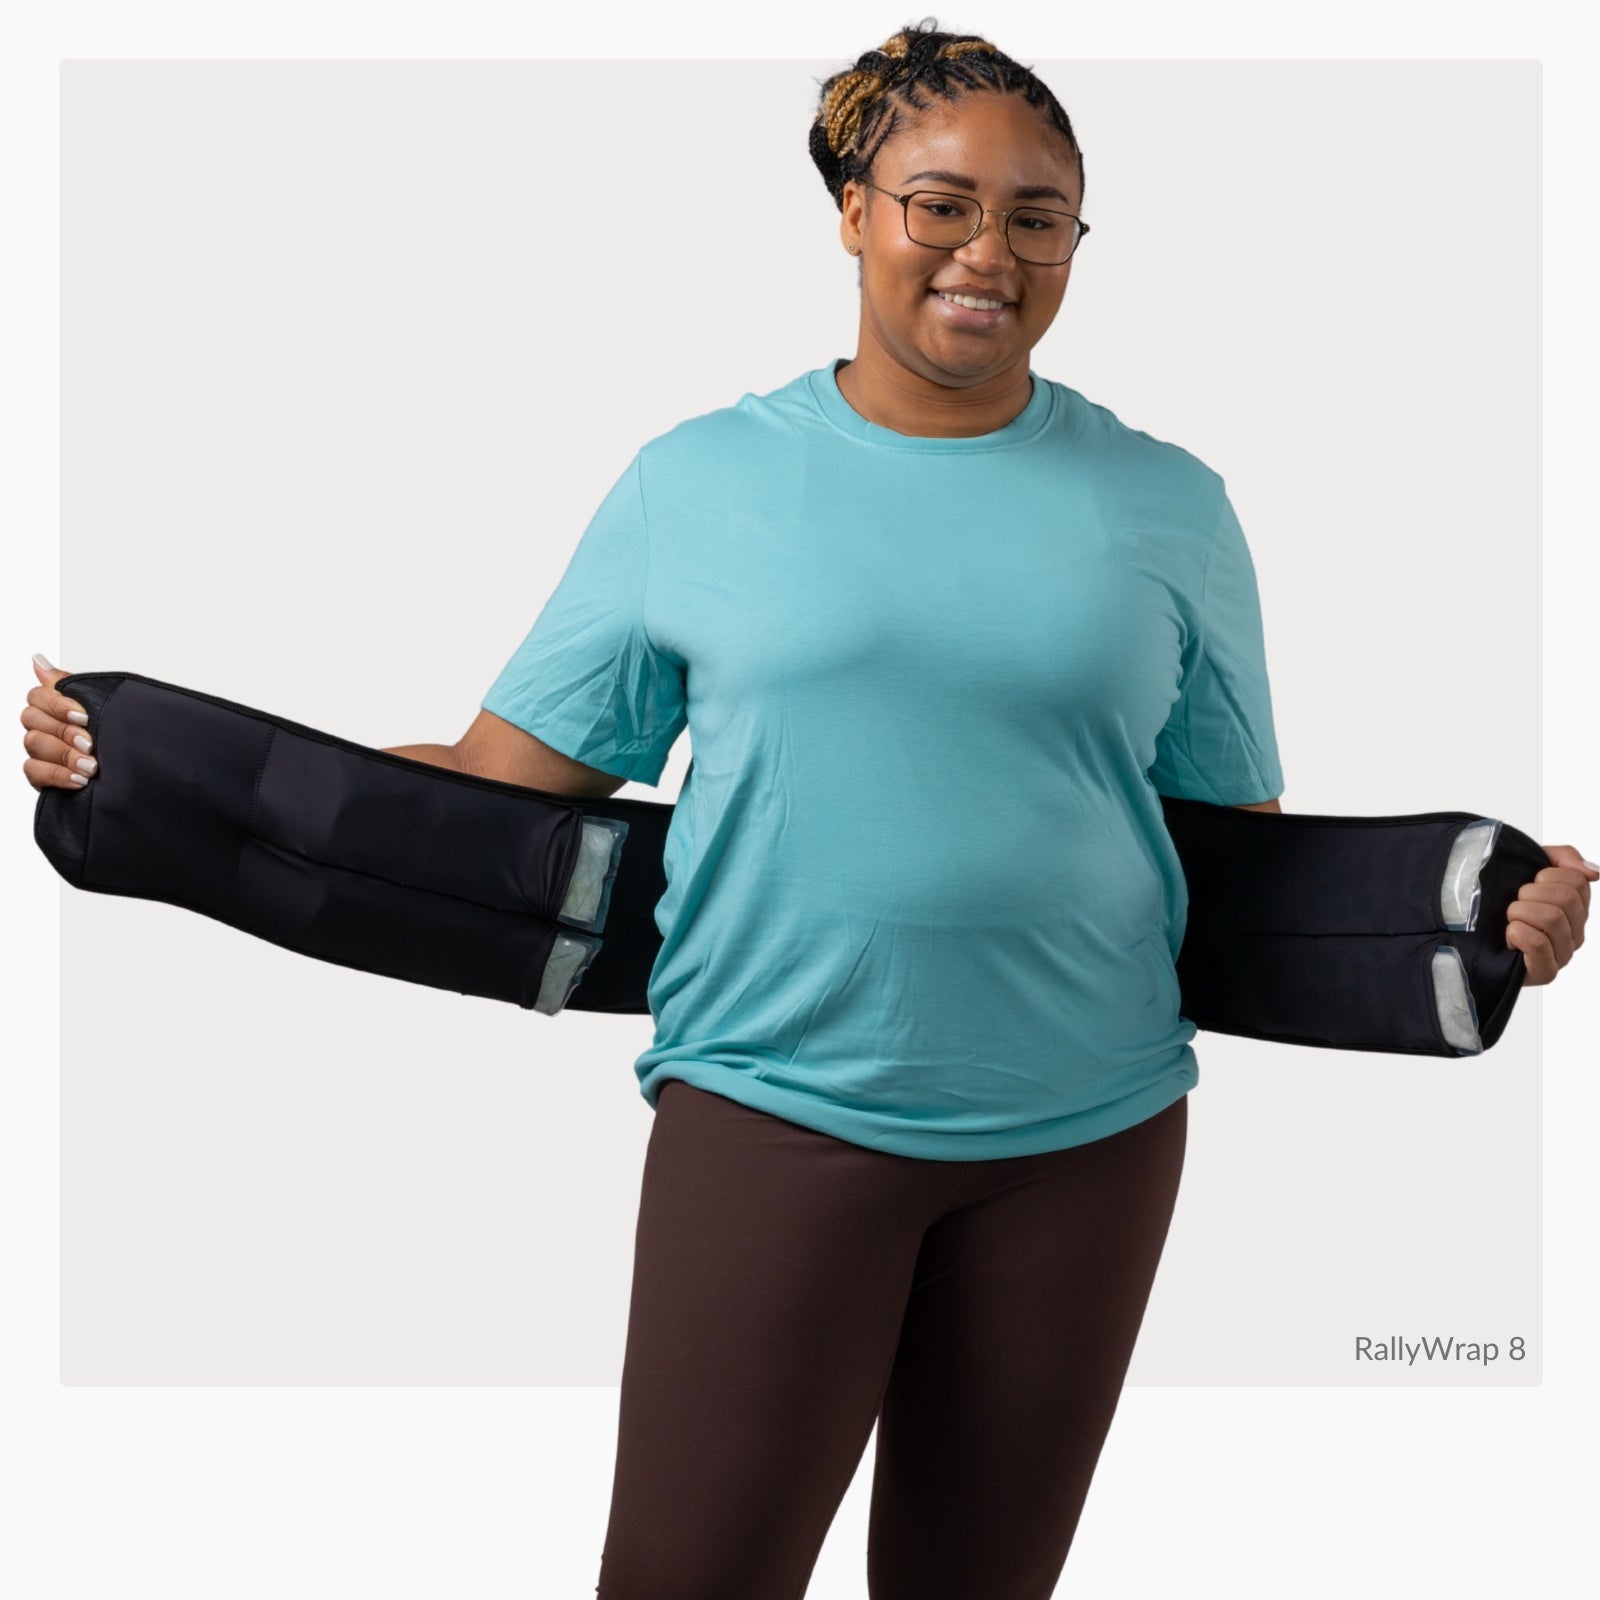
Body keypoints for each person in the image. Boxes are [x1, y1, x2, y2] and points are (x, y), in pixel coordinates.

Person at [22, 20, 1594, 1600]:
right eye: (943, 202)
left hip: (1095, 1137)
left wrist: (1479, 921)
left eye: (1038, 216)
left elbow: (1238, 851)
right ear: (853, 209)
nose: (990, 250)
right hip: (773, 1114)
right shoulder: (697, 483)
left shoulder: (1171, 505)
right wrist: (153, 769)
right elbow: (499, 791)